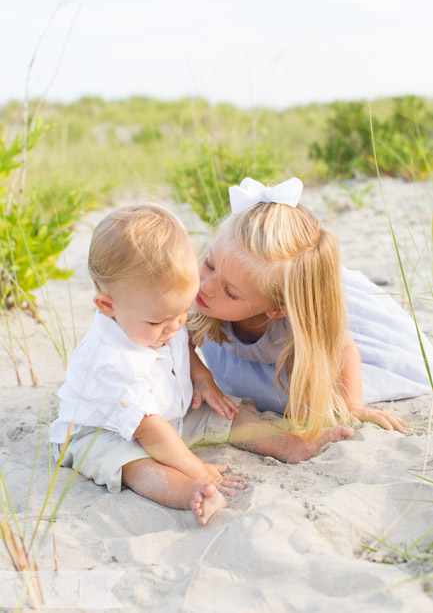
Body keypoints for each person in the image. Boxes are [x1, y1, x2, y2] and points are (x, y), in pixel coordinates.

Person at [50, 204, 353, 526]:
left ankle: (287, 444)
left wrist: (202, 379)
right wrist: (196, 467)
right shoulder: (110, 360)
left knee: (228, 416)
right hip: (106, 430)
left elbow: (184, 347)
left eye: (181, 315)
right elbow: (148, 429)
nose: (173, 327)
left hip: (170, 412)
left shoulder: (159, 314)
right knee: (133, 463)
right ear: (107, 305)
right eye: (158, 322)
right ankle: (190, 491)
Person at [189, 177, 433, 441]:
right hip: (264, 333)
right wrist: (202, 375)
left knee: (312, 400)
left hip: (306, 331)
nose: (206, 286)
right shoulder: (199, 290)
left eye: (230, 292)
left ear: (277, 309)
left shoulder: (300, 319)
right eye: (210, 263)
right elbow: (182, 339)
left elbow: (343, 348)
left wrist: (353, 406)